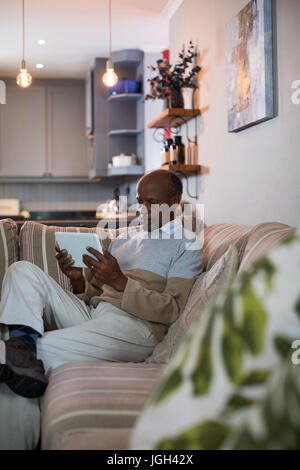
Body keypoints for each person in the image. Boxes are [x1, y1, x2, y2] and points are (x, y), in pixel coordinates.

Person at [0, 169, 203, 449]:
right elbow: (95, 295)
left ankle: (17, 351)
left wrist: (120, 280)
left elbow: (172, 309)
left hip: (136, 327)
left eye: (152, 202)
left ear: (176, 201)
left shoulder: (186, 245)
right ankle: (20, 343)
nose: (143, 209)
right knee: (21, 271)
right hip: (95, 315)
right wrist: (76, 278)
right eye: (140, 201)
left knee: (30, 359)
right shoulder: (123, 239)